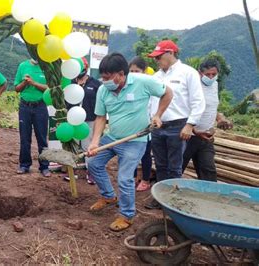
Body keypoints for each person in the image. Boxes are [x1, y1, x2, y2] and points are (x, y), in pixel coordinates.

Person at [87, 53, 173, 231]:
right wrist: (95, 142)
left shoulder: (142, 82)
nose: (104, 81)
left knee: (125, 178)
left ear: (120, 74)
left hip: (136, 140)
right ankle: (109, 196)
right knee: (93, 163)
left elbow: (168, 93)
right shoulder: (103, 90)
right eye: (102, 78)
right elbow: (101, 117)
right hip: (113, 137)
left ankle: (127, 215)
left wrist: (157, 115)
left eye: (107, 77)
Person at [145, 40, 205, 209]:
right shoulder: (156, 77)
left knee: (175, 166)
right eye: (155, 58)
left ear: (170, 53)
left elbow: (198, 101)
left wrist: (190, 124)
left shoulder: (187, 73)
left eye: (159, 57)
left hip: (178, 126)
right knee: (160, 164)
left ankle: (172, 200)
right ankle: (160, 197)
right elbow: (151, 102)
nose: (156, 61)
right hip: (158, 126)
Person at [182, 58, 233, 181]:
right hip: (188, 137)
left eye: (214, 74)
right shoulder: (193, 86)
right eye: (207, 74)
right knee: (177, 168)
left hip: (206, 137)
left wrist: (220, 119)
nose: (210, 77)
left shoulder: (215, 85)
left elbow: (212, 107)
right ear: (200, 73)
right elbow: (182, 110)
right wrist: (194, 130)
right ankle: (162, 196)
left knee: (208, 171)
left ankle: (210, 197)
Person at [64, 57, 100, 185]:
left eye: (82, 69)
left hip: (89, 120)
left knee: (88, 147)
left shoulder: (95, 84)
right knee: (73, 146)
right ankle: (73, 172)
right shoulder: (70, 83)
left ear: (86, 68)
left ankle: (92, 173)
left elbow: (100, 103)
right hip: (72, 119)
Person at [14, 59, 50, 177]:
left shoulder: (46, 66)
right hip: (24, 106)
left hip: (41, 106)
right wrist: (25, 82)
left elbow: (49, 88)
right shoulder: (22, 65)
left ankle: (44, 166)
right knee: (24, 138)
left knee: (42, 138)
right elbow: (17, 88)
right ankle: (24, 165)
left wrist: (33, 83)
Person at [128, 57, 154, 191]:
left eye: (137, 71)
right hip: (131, 127)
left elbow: (152, 107)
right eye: (131, 71)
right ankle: (132, 178)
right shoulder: (128, 86)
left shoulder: (149, 85)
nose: (133, 73)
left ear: (144, 71)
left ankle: (145, 180)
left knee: (145, 154)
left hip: (146, 127)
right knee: (130, 154)